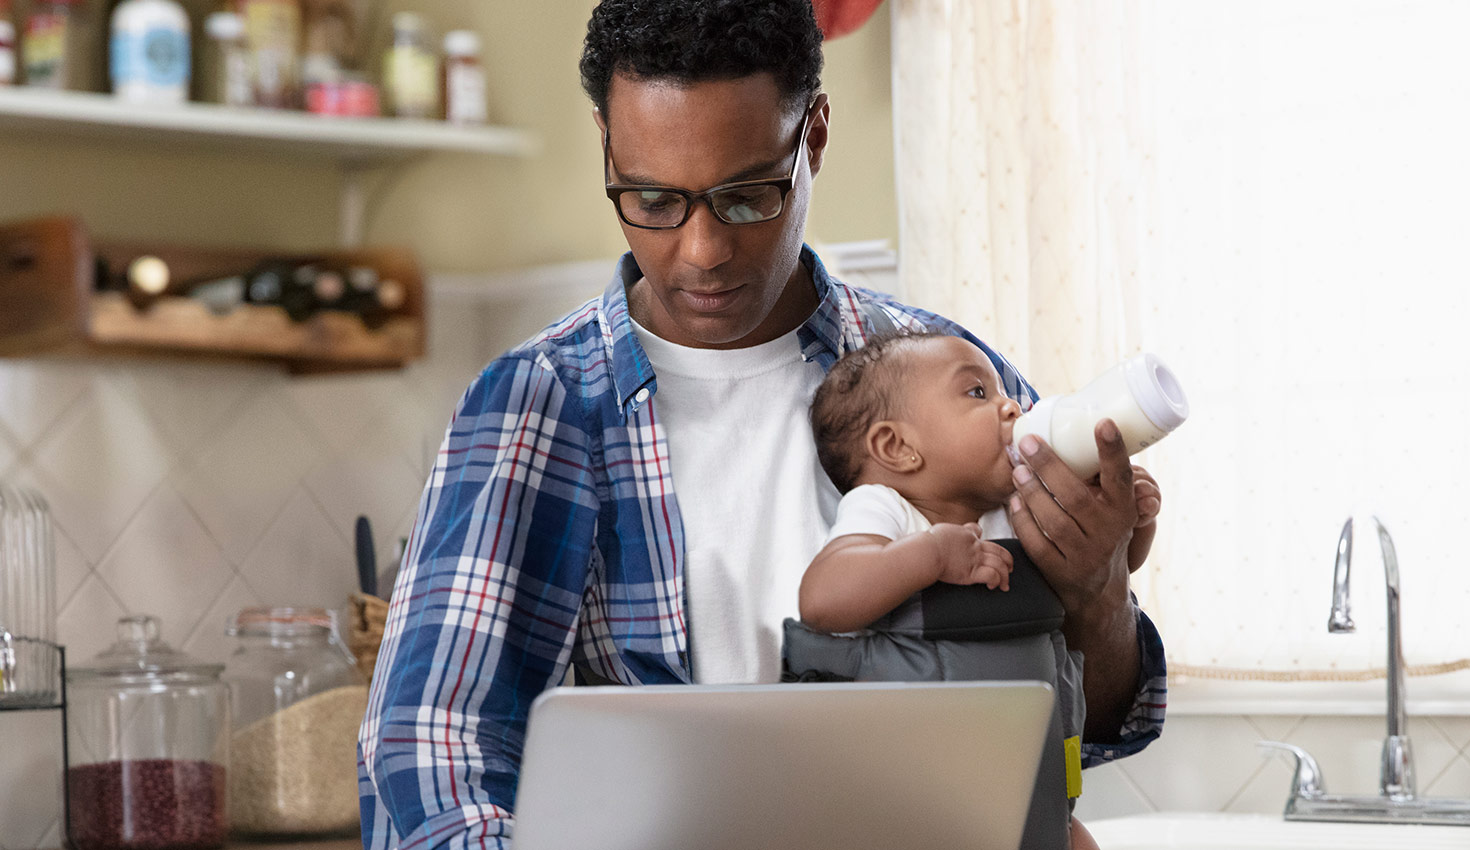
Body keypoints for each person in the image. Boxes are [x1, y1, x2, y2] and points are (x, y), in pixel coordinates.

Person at [356, 2, 1168, 847]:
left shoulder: (946, 378)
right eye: (651, 199)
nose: (701, 250)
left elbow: (1099, 725)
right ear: (607, 145)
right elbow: (430, 754)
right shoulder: (536, 406)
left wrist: (1099, 591)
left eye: (746, 197)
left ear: (812, 135)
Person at [791, 332, 1164, 850]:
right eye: (976, 394)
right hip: (917, 789)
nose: (1011, 405)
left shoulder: (1013, 512)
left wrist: (1130, 527)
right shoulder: (887, 509)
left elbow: (1103, 572)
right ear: (896, 447)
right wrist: (931, 555)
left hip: (1026, 780)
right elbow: (823, 599)